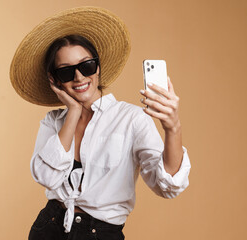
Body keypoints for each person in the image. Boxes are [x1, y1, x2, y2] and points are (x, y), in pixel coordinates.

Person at [10, 6, 191, 240]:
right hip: (49, 228)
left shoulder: (131, 119)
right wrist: (73, 111)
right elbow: (46, 177)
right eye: (66, 72)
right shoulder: (53, 122)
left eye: (86, 66)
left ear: (97, 67)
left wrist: (172, 128)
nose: (79, 77)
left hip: (100, 234)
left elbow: (167, 186)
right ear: (54, 80)